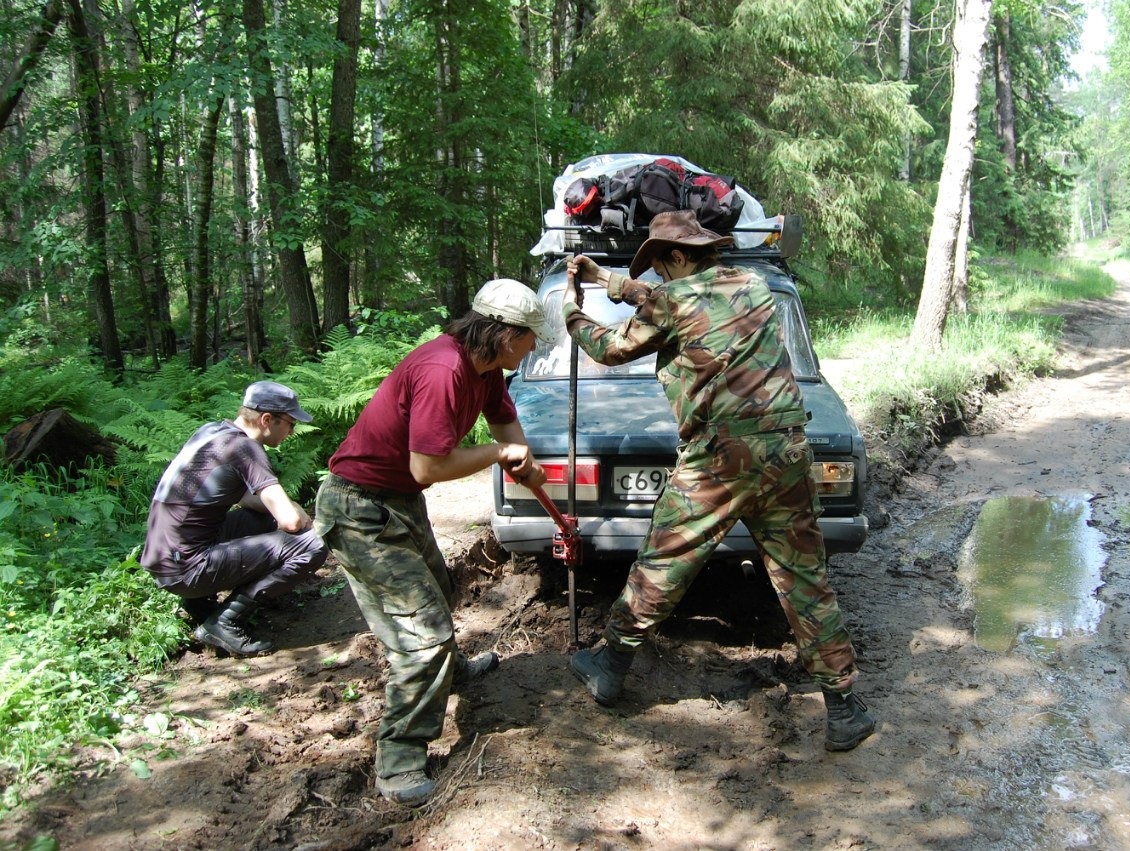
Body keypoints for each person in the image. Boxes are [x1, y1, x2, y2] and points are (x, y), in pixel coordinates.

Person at [562, 209, 875, 752]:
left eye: (662, 265)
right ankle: (845, 707)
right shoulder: (753, 285)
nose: (658, 277)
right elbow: (677, 302)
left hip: (720, 458)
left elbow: (610, 348)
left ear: (679, 257)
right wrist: (607, 281)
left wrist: (573, 308)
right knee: (804, 578)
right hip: (786, 450)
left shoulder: (672, 300)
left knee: (665, 561)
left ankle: (609, 668)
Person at [313, 278, 552, 806]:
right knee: (422, 632)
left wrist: (528, 466)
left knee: (438, 593)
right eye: (532, 337)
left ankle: (450, 672)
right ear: (506, 334)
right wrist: (496, 456)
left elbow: (509, 431)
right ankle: (399, 759)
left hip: (397, 501)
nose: (534, 347)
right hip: (359, 509)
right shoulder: (444, 369)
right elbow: (429, 466)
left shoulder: (487, 368)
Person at [140, 381, 329, 656]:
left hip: (164, 558)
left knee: (262, 519)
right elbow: (290, 522)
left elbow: (244, 498)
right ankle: (225, 622)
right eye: (290, 423)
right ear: (267, 420)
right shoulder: (246, 449)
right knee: (312, 545)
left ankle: (198, 603)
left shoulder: (213, 432)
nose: (291, 432)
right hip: (185, 569)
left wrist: (286, 508)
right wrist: (297, 510)